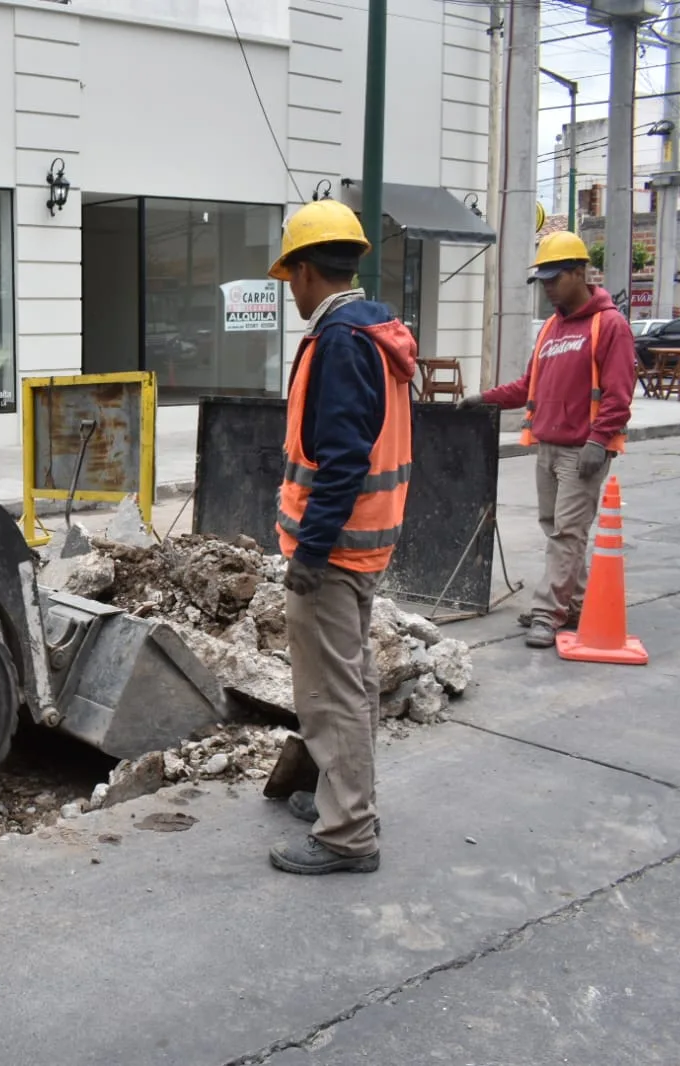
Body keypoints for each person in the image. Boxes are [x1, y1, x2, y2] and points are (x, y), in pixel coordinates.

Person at [267, 200, 417, 876]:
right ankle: (340, 798)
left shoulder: (339, 342)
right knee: (348, 681)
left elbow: (342, 459)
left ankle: (346, 832)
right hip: (361, 544)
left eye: (287, 277)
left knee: (330, 694)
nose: (288, 292)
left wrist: (310, 553)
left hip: (334, 551)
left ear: (303, 270)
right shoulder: (372, 333)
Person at [458, 231, 633, 649]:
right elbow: (528, 386)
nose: (549, 287)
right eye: (545, 280)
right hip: (548, 447)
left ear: (579, 272)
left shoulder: (608, 325)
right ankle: (571, 605)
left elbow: (619, 393)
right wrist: (487, 399)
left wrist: (599, 441)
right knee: (558, 530)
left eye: (556, 278)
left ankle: (547, 613)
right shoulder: (553, 327)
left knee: (567, 534)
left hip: (582, 451)